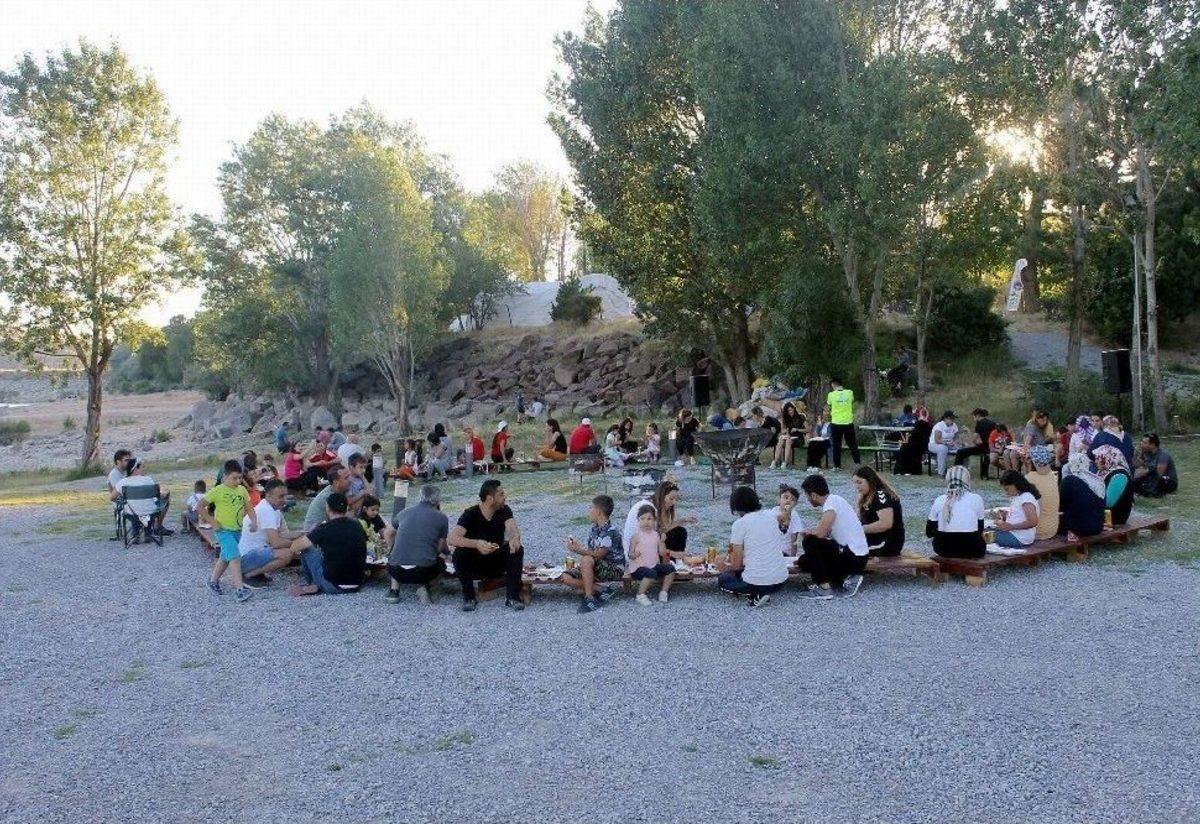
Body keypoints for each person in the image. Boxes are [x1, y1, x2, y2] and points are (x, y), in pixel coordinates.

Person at [447, 479, 526, 612]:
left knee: (517, 549)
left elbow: (512, 528)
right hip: (475, 564)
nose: (505, 497)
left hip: (496, 561)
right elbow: (452, 538)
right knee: (459, 553)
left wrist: (515, 539)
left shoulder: (504, 510)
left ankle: (513, 597)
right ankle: (469, 598)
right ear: (490, 499)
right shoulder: (470, 513)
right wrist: (476, 544)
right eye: (501, 494)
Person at [714, 486, 792, 608]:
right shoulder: (771, 516)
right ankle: (761, 592)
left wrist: (722, 567)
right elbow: (784, 518)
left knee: (724, 579)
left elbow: (736, 565)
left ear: (736, 506)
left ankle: (756, 595)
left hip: (756, 582)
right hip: (781, 580)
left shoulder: (740, 524)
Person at [798, 474, 868, 598]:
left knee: (809, 541)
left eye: (807, 495)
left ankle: (824, 588)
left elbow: (821, 533)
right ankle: (842, 578)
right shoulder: (836, 500)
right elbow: (827, 534)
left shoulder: (831, 503)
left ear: (813, 495)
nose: (807, 499)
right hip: (855, 555)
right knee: (804, 561)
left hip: (854, 558)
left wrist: (808, 534)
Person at [286, 492, 368, 596]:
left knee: (307, 549)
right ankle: (317, 583)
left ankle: (313, 583)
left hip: (333, 585)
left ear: (328, 508)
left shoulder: (325, 528)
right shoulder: (357, 525)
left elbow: (295, 547)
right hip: (357, 583)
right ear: (346, 508)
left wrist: (310, 534)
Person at [203, 459, 258, 603]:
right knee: (234, 556)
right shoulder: (218, 490)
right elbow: (199, 507)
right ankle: (240, 590)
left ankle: (213, 581)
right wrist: (213, 522)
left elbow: (249, 508)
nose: (238, 481)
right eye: (234, 478)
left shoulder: (242, 490)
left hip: (237, 530)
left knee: (225, 557)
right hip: (223, 531)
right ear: (225, 476)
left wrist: (254, 521)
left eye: (240, 478)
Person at [385, 484, 450, 605]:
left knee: (395, 555)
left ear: (420, 496)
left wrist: (390, 549)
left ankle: (394, 590)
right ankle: (423, 586)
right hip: (423, 571)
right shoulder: (442, 517)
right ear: (438, 499)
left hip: (396, 571)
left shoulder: (404, 512)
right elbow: (440, 547)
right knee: (440, 564)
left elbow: (388, 533)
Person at [562, 494, 624, 613]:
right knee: (565, 577)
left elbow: (600, 555)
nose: (588, 511)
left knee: (585, 560)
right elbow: (592, 553)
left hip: (614, 568)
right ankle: (602, 590)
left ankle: (589, 598)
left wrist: (577, 550)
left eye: (591, 507)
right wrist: (579, 547)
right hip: (598, 566)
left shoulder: (610, 531)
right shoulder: (594, 529)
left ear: (599, 512)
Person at [236, 479, 303, 584]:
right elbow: (276, 543)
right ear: (268, 495)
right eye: (281, 496)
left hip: (249, 555)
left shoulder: (271, 508)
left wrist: (304, 533)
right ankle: (248, 576)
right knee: (287, 554)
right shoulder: (267, 511)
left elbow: (282, 534)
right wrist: (299, 543)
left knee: (293, 547)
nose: (285, 500)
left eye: (286, 496)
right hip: (245, 559)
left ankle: (256, 573)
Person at [926, 465, 986, 559]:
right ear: (967, 480)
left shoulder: (940, 499)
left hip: (943, 549)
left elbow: (929, 532)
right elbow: (980, 528)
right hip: (973, 549)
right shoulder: (976, 498)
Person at [626, 503, 676, 605]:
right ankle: (640, 594)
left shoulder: (656, 535)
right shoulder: (636, 536)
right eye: (642, 519)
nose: (646, 522)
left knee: (671, 569)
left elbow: (662, 553)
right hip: (638, 568)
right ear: (638, 520)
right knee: (651, 573)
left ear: (654, 520)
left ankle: (664, 592)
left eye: (649, 519)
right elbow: (630, 554)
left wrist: (662, 541)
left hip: (652, 565)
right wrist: (634, 554)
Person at [112, 457, 170, 542]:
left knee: (132, 510)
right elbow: (159, 496)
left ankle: (136, 534)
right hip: (150, 513)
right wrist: (166, 494)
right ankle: (149, 532)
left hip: (131, 513)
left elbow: (112, 497)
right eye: (142, 467)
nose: (144, 469)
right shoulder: (148, 480)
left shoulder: (122, 482)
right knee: (162, 501)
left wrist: (123, 501)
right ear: (135, 468)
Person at [853, 466, 905, 557]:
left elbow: (886, 524)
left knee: (851, 551)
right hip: (872, 538)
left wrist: (860, 529)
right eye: (855, 483)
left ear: (870, 481)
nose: (857, 486)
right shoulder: (864, 496)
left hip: (886, 542)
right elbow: (859, 519)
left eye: (860, 482)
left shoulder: (881, 496)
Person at [1059, 451, 1105, 541]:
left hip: (1077, 528)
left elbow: (1061, 505)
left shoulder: (1069, 481)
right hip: (1098, 526)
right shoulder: (1097, 480)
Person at [993, 470, 1042, 548]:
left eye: (1007, 489)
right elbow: (1020, 515)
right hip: (1014, 534)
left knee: (982, 536)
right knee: (984, 532)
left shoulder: (1026, 497)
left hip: (1020, 538)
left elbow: (1033, 521)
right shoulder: (1018, 496)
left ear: (1015, 484)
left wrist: (1012, 527)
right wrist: (1006, 515)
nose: (1006, 492)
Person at [1024, 446, 1060, 540]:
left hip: (1037, 532)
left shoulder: (1029, 479)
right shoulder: (1052, 476)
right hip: (1052, 529)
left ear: (1032, 461)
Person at [1094, 444, 1134, 526]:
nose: (1095, 461)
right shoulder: (1105, 471)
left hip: (1114, 516)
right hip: (1103, 512)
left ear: (1107, 458)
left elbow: (1109, 503)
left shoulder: (1120, 475)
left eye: (1098, 458)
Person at [826, 377, 860, 469]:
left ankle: (837, 466)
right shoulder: (850, 392)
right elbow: (851, 401)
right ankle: (857, 463)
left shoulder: (831, 395)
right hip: (848, 422)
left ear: (833, 384)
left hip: (836, 422)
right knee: (852, 443)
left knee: (836, 445)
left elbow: (829, 405)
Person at [303, 467, 350, 532]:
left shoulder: (337, 491)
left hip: (324, 528)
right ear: (336, 482)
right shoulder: (328, 497)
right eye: (346, 478)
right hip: (314, 532)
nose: (350, 480)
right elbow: (344, 517)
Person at [954, 408, 996, 478]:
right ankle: (984, 475)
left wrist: (968, 432)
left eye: (974, 417)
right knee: (984, 454)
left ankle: (957, 472)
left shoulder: (979, 423)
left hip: (983, 447)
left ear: (978, 415)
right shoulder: (992, 423)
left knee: (960, 452)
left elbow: (974, 438)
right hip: (992, 447)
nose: (973, 418)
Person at [357, 494, 395, 559]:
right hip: (364, 546)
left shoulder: (375, 517)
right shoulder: (361, 521)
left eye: (377, 510)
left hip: (373, 543)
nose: (376, 512)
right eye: (373, 510)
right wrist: (378, 544)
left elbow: (383, 531)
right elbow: (363, 542)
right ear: (365, 509)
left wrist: (386, 541)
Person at [772, 401, 806, 468]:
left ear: (794, 409)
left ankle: (785, 462)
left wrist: (797, 429)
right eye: (788, 411)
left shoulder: (801, 416)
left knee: (788, 441)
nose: (790, 412)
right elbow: (783, 430)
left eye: (791, 410)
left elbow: (808, 430)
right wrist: (786, 432)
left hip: (799, 438)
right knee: (781, 440)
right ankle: (774, 462)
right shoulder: (786, 418)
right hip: (790, 437)